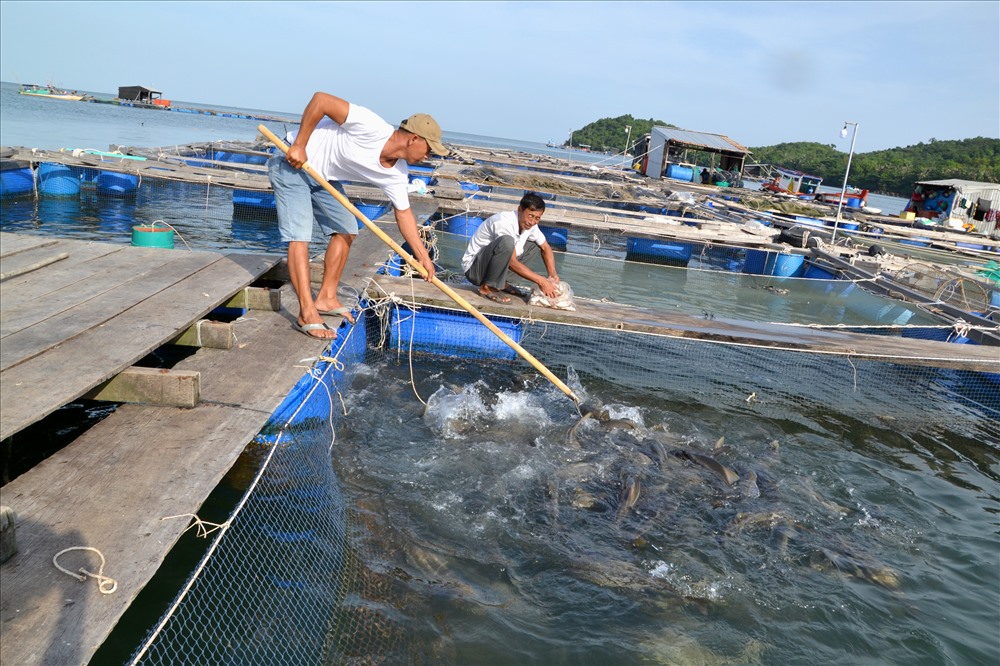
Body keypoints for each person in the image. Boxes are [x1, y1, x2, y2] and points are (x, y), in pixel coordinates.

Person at [267, 92, 447, 339]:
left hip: (322, 177)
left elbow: (404, 214)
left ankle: (326, 298)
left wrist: (423, 257)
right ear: (414, 138)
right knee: (300, 234)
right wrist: (299, 144)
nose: (429, 156)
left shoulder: (397, 174)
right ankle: (306, 313)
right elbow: (321, 100)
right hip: (292, 161)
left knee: (346, 228)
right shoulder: (371, 126)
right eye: (429, 149)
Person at [461, 192, 559, 304]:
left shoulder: (531, 225)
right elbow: (512, 262)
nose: (532, 222)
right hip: (475, 270)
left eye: (537, 218)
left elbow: (545, 247)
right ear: (520, 210)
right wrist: (541, 281)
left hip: (493, 268)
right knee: (507, 242)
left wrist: (552, 275)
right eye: (530, 216)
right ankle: (488, 287)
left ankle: (502, 284)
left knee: (535, 244)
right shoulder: (503, 222)